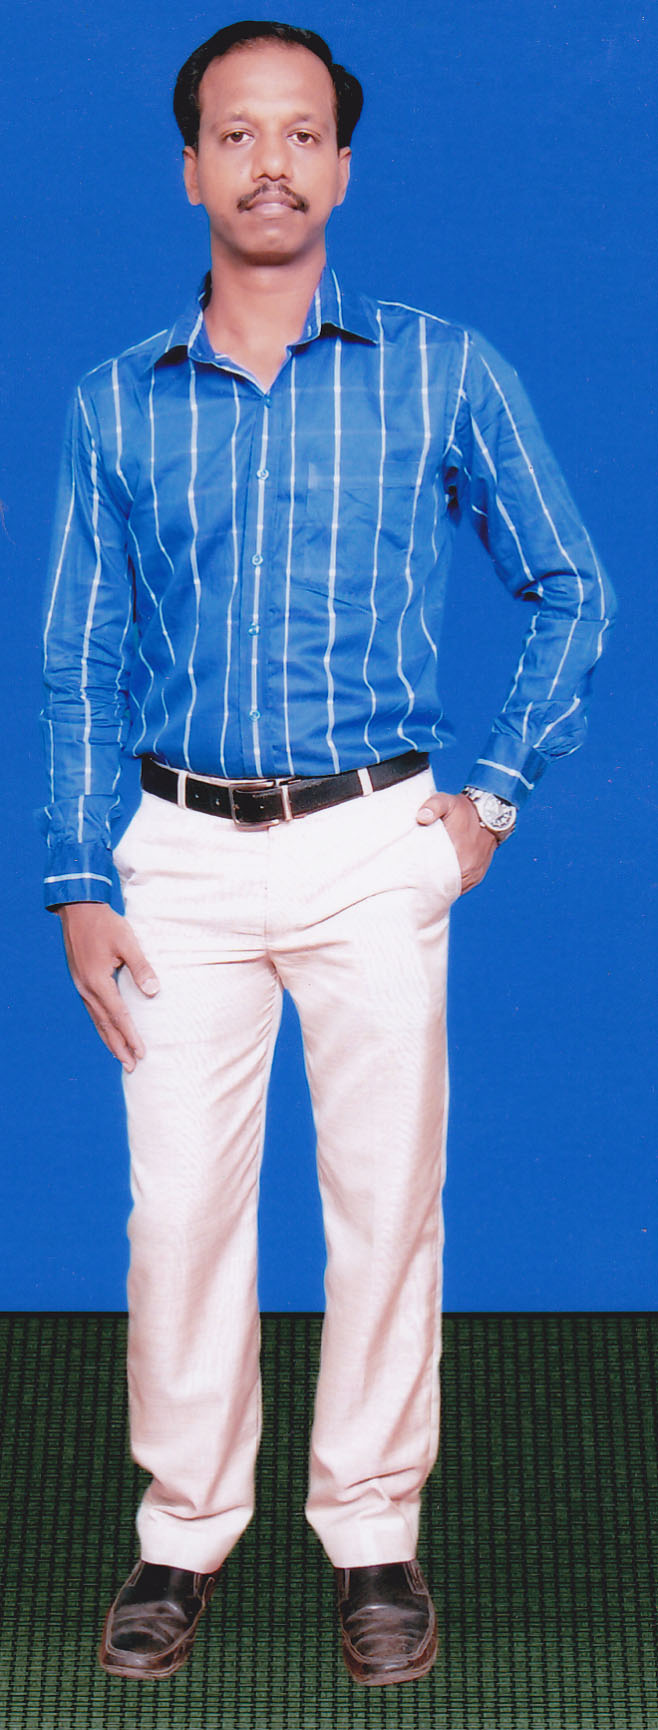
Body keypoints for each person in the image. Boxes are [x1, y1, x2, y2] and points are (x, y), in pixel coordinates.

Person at [41, 19, 614, 1689]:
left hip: (373, 840)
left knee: (383, 1198)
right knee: (177, 1215)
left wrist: (490, 794)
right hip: (176, 854)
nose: (270, 162)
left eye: (301, 133)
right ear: (191, 169)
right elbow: (75, 660)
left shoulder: (439, 370)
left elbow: (571, 583)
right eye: (237, 134)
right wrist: (78, 875)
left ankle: (372, 1532)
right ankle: (181, 1531)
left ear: (342, 168)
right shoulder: (115, 403)